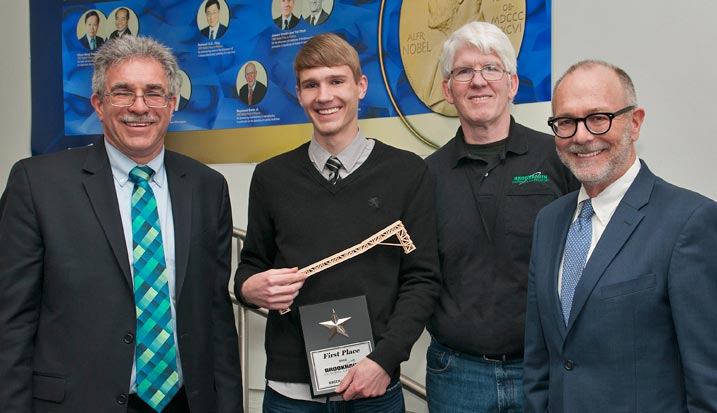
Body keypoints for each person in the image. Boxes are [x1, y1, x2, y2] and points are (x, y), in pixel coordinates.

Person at [0, 35, 243, 412]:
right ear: (99, 104)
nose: (139, 106)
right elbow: (11, 321)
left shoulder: (207, 187)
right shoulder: (38, 184)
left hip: (185, 402)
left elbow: (216, 317)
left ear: (172, 104)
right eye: (123, 92)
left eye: (153, 93)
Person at [235, 32, 440, 412]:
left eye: (336, 81)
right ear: (299, 94)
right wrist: (250, 288)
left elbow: (422, 279)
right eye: (311, 85)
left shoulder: (407, 173)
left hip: (374, 388)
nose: (324, 95)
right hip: (290, 396)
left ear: (361, 87)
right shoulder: (270, 178)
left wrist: (385, 360)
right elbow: (250, 267)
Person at [523, 60, 717, 412]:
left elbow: (710, 382)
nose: (581, 136)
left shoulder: (690, 222)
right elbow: (540, 359)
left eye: (599, 117)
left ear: (635, 122)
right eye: (566, 122)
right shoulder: (548, 222)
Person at [423, 22, 578, 413]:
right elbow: (415, 274)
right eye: (464, 71)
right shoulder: (426, 176)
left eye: (491, 68)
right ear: (448, 90)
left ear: (512, 84)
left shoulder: (558, 159)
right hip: (456, 375)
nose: (478, 81)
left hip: (545, 367)